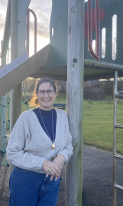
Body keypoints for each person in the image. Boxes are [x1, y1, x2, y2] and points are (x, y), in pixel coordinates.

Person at [6, 77, 73, 206]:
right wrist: (43, 163)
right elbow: (12, 153)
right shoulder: (26, 118)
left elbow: (68, 146)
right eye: (42, 92)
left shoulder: (62, 116)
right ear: (36, 94)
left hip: (52, 180)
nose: (46, 95)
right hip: (26, 178)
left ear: (55, 93)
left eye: (49, 91)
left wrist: (61, 158)